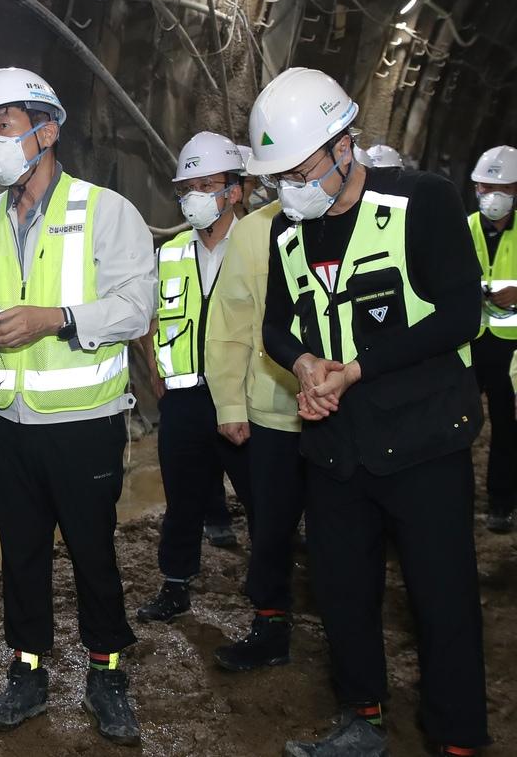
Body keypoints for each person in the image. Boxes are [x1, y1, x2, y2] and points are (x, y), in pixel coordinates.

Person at [250, 67, 488, 757]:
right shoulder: (288, 232)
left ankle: (457, 736)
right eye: (278, 177)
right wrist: (301, 364)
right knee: (342, 591)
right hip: (335, 446)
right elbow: (275, 325)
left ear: (344, 146)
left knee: (440, 597)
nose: (288, 187)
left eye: (299, 170)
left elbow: (458, 314)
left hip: (422, 442)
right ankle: (362, 717)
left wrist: (356, 369)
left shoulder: (425, 203)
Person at [0, 67, 155, 746]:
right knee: (22, 554)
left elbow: (135, 307)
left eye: (3, 125)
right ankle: (28, 670)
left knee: (94, 554)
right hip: (8, 423)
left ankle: (108, 673)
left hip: (84, 425)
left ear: (47, 128)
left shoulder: (105, 211)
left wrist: (56, 318)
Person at [135, 132, 253, 624]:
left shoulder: (261, 244)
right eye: (186, 188)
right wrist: (158, 371)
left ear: (235, 191)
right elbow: (149, 318)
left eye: (206, 185)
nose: (194, 198)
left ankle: (270, 597)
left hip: (244, 400)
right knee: (182, 502)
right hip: (183, 399)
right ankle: (176, 584)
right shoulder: (173, 251)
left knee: (262, 501)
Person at [203, 150, 305, 672]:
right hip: (274, 411)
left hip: (351, 413)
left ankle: (346, 624)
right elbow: (230, 325)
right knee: (269, 526)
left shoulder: (370, 225)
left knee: (347, 529)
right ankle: (270, 623)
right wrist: (229, 402)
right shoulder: (252, 234)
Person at [468, 145, 517, 533]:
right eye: (484, 187)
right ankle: (458, 499)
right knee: (460, 423)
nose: (491, 196)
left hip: (511, 346)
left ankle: (501, 503)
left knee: (507, 426)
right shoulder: (464, 227)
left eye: (500, 187)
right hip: (470, 339)